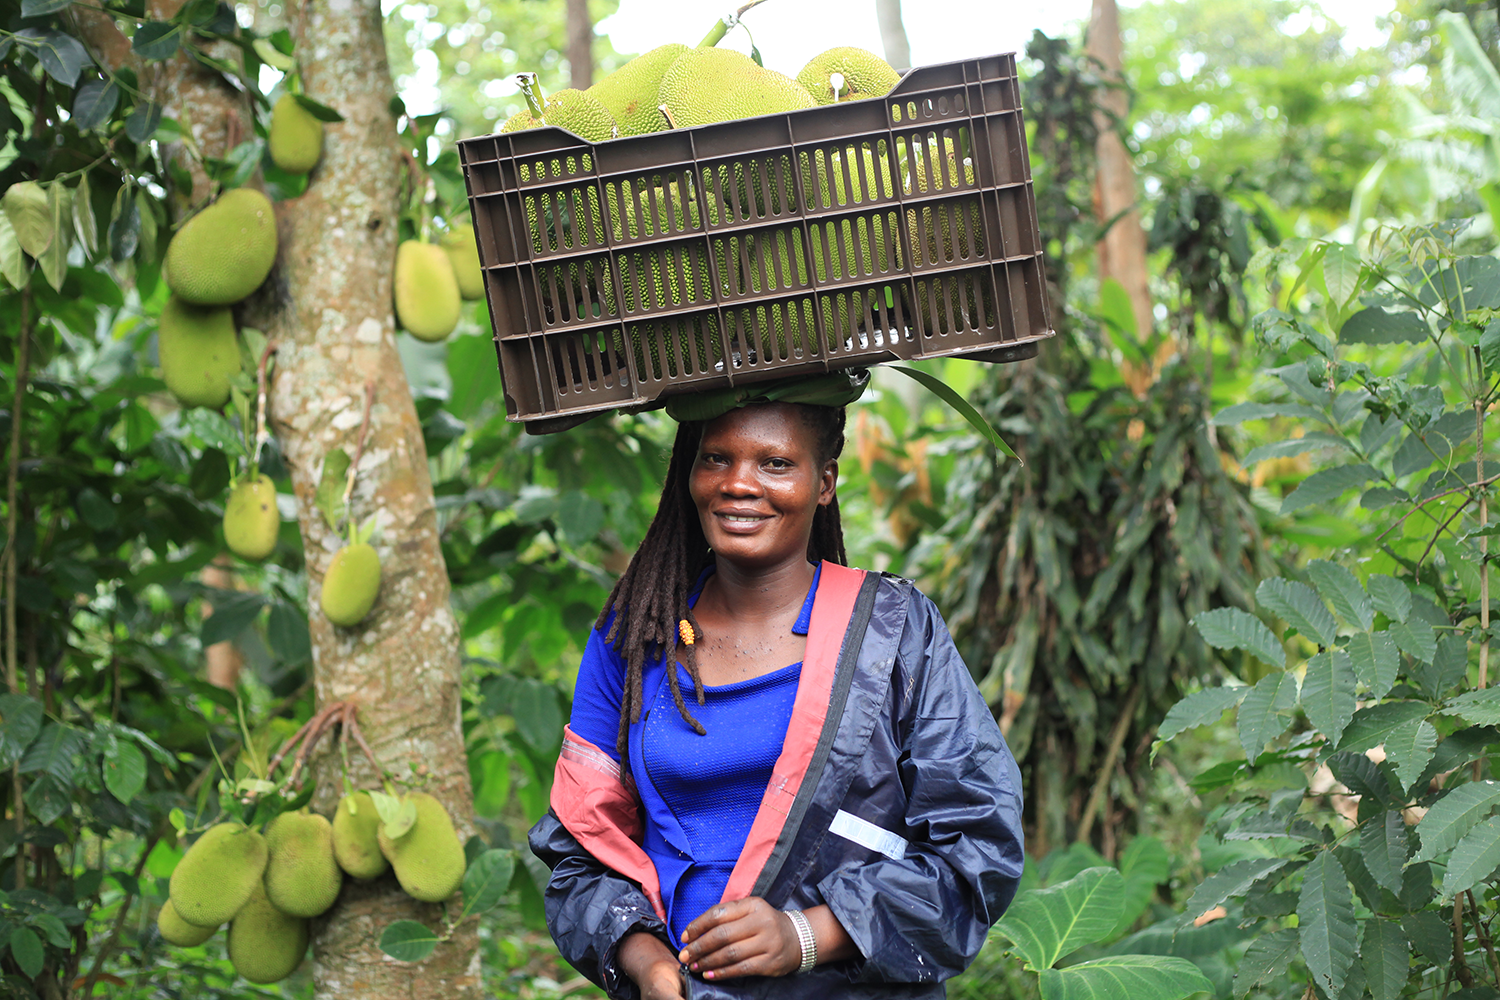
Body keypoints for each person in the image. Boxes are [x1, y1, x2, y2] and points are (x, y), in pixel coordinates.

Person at [529, 376, 1025, 1000]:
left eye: (776, 463)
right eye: (716, 458)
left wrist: (804, 935)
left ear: (824, 484)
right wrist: (647, 962)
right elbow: (580, 842)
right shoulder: (635, 637)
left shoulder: (890, 632)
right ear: (690, 473)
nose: (739, 483)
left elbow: (977, 843)